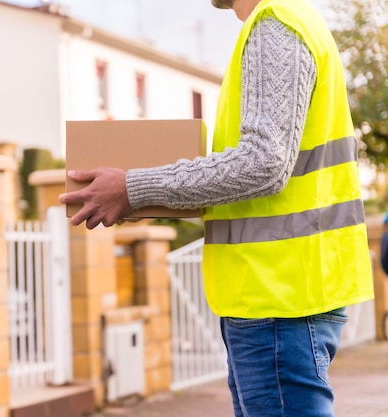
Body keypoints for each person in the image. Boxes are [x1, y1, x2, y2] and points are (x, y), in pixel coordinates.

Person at [59, 0, 375, 416]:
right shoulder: (281, 23)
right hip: (275, 298)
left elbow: (263, 163)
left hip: (279, 299)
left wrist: (133, 187)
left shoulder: (275, 24)